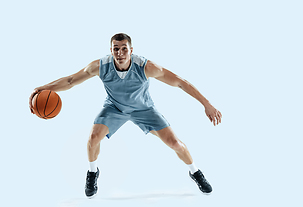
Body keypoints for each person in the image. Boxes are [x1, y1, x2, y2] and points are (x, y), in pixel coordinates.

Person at [29, 33, 222, 198]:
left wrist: (207, 104)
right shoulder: (100, 66)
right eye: (115, 49)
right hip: (114, 108)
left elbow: (180, 82)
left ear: (131, 50)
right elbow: (71, 80)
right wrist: (43, 88)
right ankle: (92, 172)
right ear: (110, 50)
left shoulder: (146, 67)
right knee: (92, 138)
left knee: (175, 143)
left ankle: (195, 172)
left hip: (144, 109)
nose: (120, 53)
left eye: (124, 49)